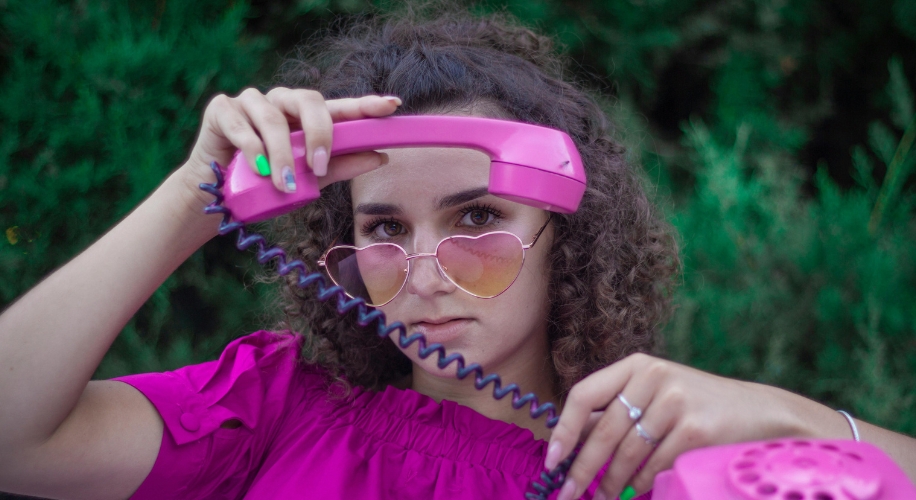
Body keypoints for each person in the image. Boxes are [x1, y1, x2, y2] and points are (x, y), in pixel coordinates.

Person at [1, 6, 914, 500]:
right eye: (387, 228)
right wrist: (192, 198)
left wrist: (786, 418)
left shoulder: (654, 464)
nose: (427, 269)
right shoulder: (273, 404)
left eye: (476, 214)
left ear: (571, 231)